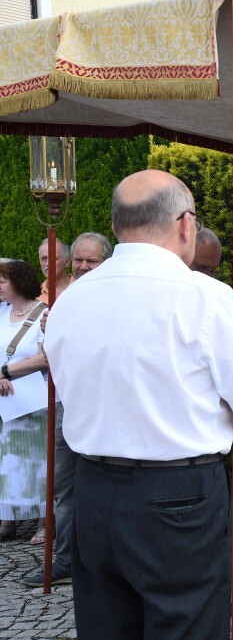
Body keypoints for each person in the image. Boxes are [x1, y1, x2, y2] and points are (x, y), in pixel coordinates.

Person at [44, 169, 233, 640]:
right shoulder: (207, 298)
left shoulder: (71, 300)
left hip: (93, 490)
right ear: (185, 224)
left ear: (116, 226)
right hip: (179, 499)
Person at [24, 232, 112, 586]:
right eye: (79, 259)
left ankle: (108, 563)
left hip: (108, 406)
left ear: (106, 262)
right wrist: (52, 328)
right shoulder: (64, 298)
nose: (84, 266)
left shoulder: (117, 295)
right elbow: (50, 354)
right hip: (67, 402)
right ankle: (65, 560)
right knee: (64, 486)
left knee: (109, 485)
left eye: (92, 260)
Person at [0, 260, 48, 543]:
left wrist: (6, 372)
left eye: (2, 280)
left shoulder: (44, 313)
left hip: (35, 400)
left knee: (38, 461)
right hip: (5, 400)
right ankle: (8, 520)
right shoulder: (2, 313)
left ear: (18, 281)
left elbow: (45, 357)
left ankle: (44, 522)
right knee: (8, 461)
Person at [38, 237, 74, 304]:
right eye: (44, 258)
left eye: (53, 258)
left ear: (67, 262)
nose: (47, 263)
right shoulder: (35, 294)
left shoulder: (80, 288)